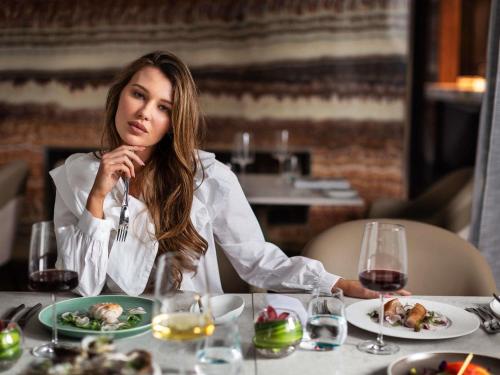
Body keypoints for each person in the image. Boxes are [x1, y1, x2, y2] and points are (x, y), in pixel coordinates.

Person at [50, 51, 409, 298]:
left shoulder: (207, 177)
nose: (144, 113)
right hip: (106, 331)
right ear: (119, 97)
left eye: (163, 107)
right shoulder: (77, 175)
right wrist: (97, 198)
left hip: (188, 328)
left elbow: (258, 261)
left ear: (174, 122)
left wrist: (338, 285)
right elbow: (79, 288)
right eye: (138, 95)